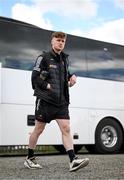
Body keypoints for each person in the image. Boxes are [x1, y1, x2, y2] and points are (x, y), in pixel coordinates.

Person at [24, 31, 89, 172]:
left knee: (66, 128)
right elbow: (34, 77)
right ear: (52, 41)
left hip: (61, 102)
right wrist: (46, 85)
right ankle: (30, 158)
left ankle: (73, 160)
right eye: (58, 40)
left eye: (63, 41)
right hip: (46, 101)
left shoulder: (65, 59)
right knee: (38, 130)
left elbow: (64, 76)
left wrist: (71, 78)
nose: (60, 42)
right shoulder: (43, 58)